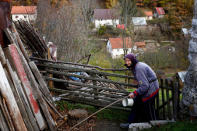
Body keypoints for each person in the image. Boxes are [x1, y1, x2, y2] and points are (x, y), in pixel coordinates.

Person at [120, 53, 159, 128]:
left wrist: (135, 92)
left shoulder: (138, 68)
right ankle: (130, 123)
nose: (127, 62)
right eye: (126, 61)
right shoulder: (136, 66)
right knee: (137, 104)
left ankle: (154, 125)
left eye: (129, 61)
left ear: (133, 60)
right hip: (148, 87)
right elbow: (143, 82)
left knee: (148, 108)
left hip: (152, 89)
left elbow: (145, 85)